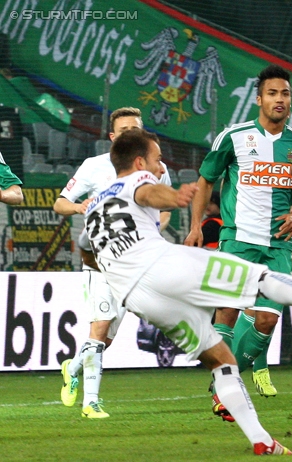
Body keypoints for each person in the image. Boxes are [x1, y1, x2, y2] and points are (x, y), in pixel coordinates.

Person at [85, 127, 292, 454]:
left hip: (140, 300)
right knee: (260, 277)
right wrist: (176, 196)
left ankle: (262, 440)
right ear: (139, 162)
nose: (159, 166)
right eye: (156, 159)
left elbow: (85, 251)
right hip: (163, 267)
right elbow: (149, 194)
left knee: (222, 360)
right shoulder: (139, 180)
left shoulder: (94, 206)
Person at [184, 64, 292, 405]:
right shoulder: (234, 137)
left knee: (265, 322)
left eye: (285, 94)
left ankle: (226, 380)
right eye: (272, 93)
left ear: (291, 101)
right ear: (259, 98)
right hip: (238, 240)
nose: (279, 99)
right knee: (227, 314)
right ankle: (224, 391)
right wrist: (194, 227)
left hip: (278, 246)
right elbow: (206, 181)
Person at [53, 107, 173, 418]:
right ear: (112, 137)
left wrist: (153, 229)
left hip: (134, 265)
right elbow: (59, 203)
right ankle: (90, 403)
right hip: (100, 261)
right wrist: (80, 207)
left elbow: (166, 207)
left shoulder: (155, 166)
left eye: (135, 128)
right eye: (124, 130)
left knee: (105, 338)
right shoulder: (94, 167)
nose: (130, 134)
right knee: (100, 326)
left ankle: (74, 365)